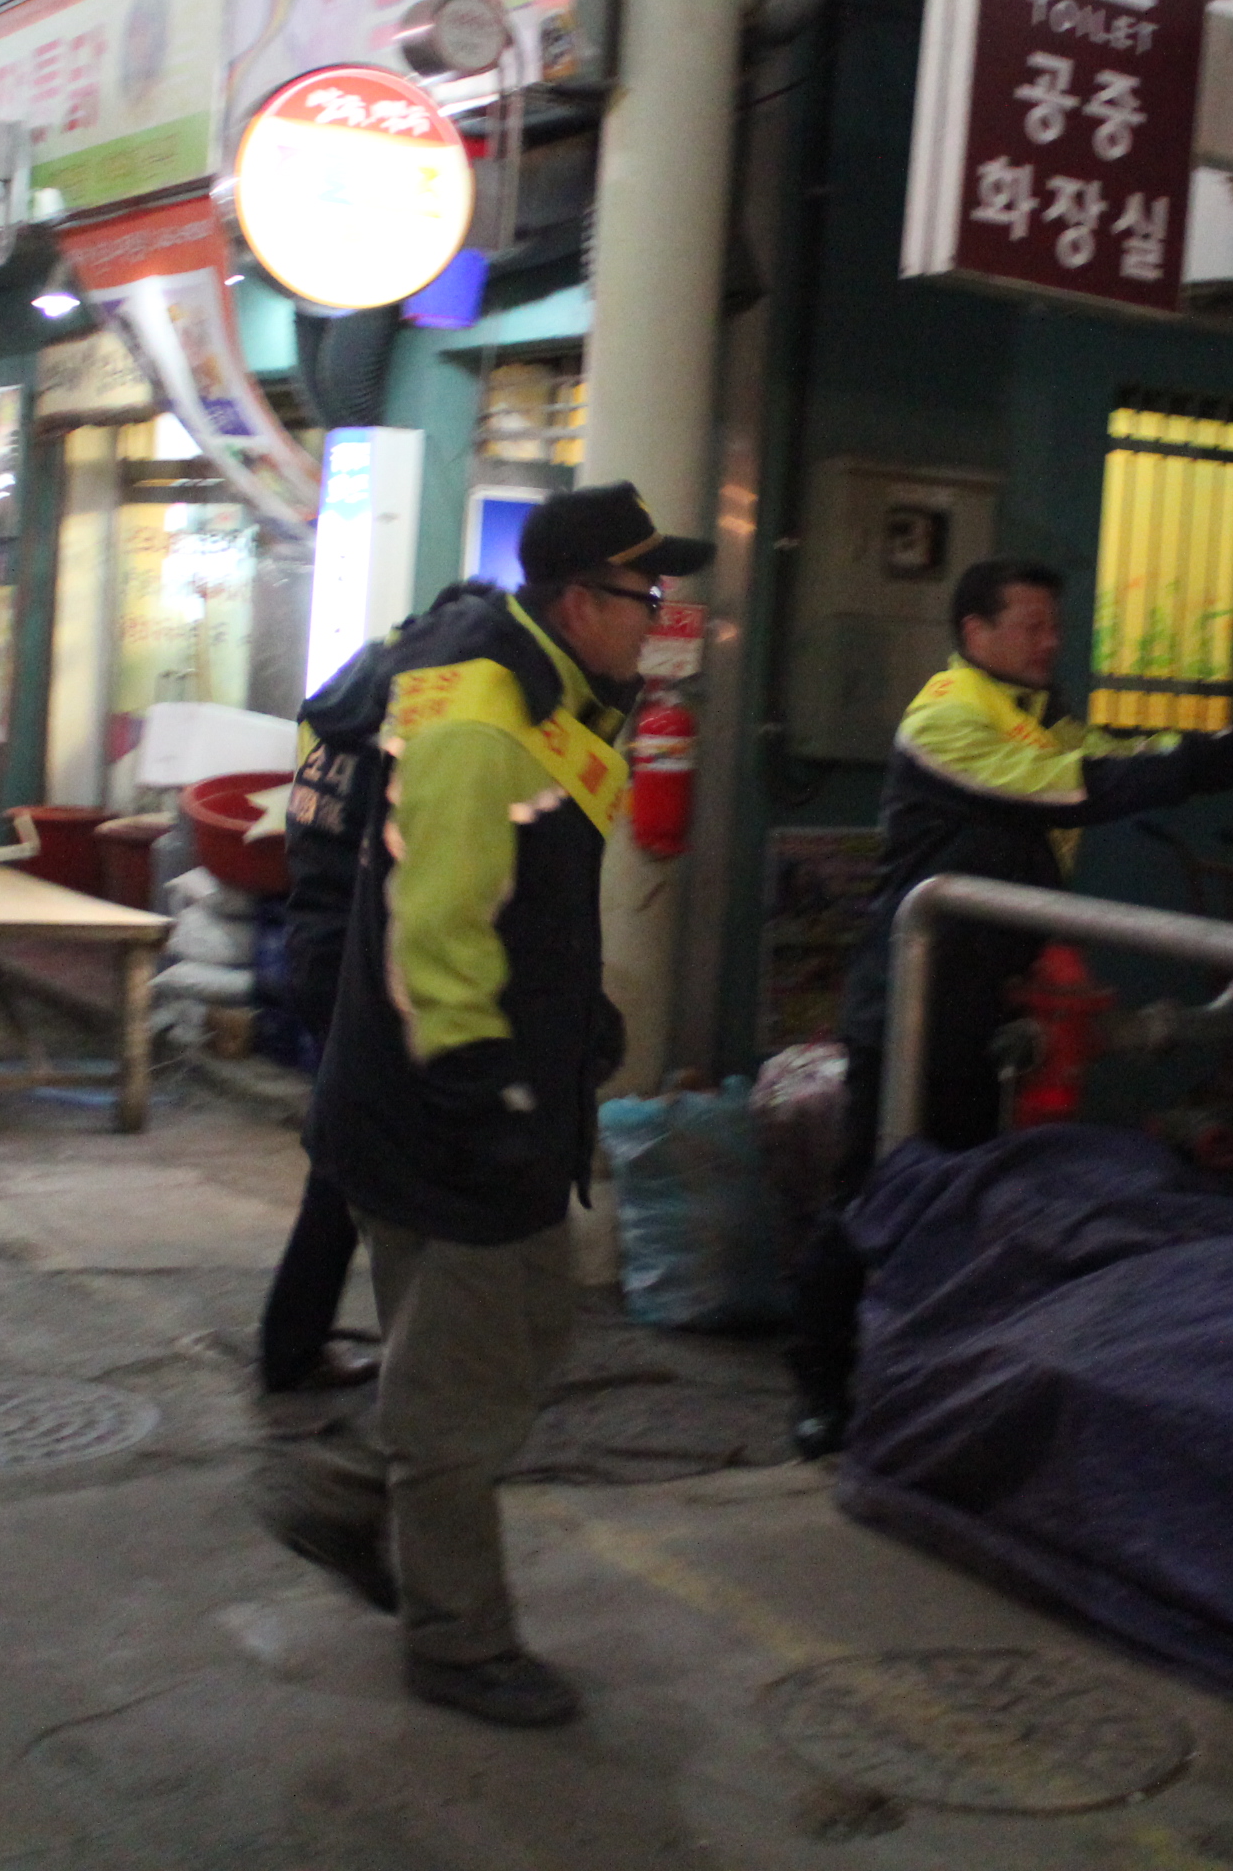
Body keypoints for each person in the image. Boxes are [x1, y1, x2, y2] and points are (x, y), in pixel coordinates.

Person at [261, 485, 705, 1730]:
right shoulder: (480, 713)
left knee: (524, 1337)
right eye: (644, 595)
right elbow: (439, 929)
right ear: (580, 601)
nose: (659, 617)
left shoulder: (553, 698)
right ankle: (457, 1642)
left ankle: (348, 1489)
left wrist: (572, 1019)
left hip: (488, 1097)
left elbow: (519, 906)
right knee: (464, 1386)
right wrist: (485, 1087)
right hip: (444, 1107)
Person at [787, 556, 1233, 1455]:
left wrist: (1229, 750)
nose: (1052, 642)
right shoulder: (945, 719)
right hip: (914, 1001)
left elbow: (1109, 759)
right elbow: (1070, 786)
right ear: (975, 633)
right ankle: (821, 1389)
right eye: (1033, 626)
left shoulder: (1033, 716)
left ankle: (925, 1381)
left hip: (988, 1001)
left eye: (1055, 626)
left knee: (966, 1191)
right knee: (873, 1191)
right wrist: (1213, 763)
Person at [259, 578, 507, 1397]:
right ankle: (301, 1348)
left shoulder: (347, 699)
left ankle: (305, 1340)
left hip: (311, 939)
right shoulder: (419, 714)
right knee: (356, 1165)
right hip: (364, 961)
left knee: (351, 1156)